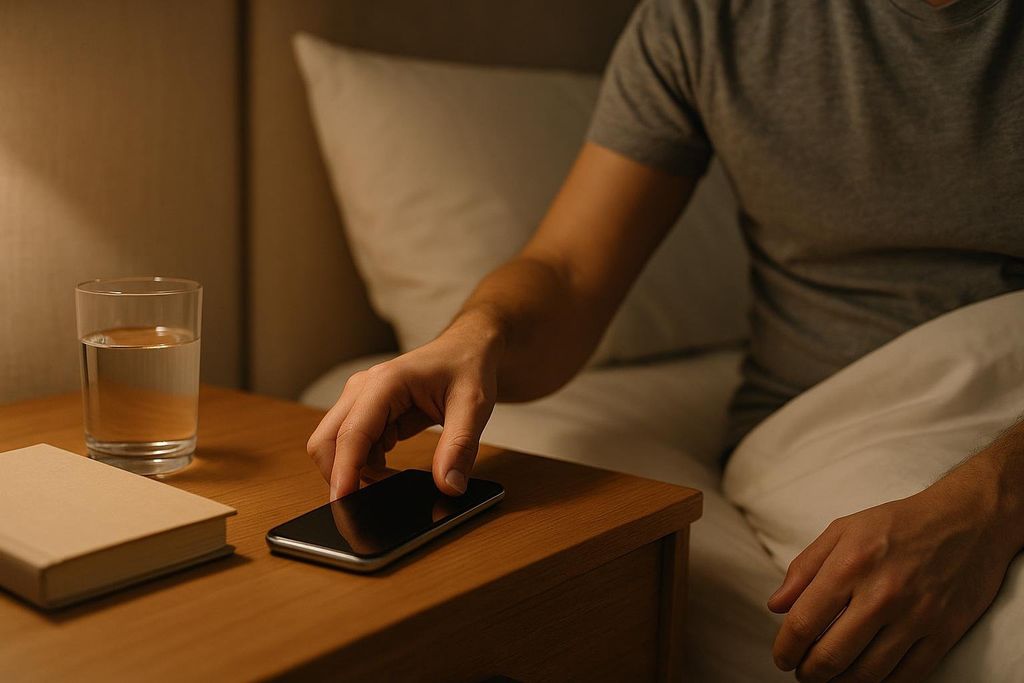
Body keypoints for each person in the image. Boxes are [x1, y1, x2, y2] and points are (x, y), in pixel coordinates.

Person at [307, 0, 1024, 679]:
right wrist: (474, 337)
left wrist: (993, 498)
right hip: (850, 416)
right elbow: (568, 270)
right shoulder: (707, 19)